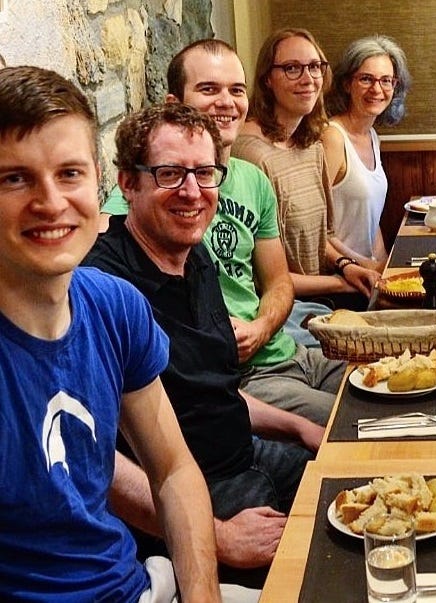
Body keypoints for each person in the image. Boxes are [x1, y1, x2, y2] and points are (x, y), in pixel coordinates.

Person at [0, 65, 220, 602]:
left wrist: (203, 596)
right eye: (14, 178)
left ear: (98, 180)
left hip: (136, 584)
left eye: (69, 173)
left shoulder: (113, 304)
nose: (51, 202)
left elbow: (173, 470)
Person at [84, 102, 322, 581]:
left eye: (205, 173)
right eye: (170, 174)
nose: (192, 192)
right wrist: (218, 536)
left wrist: (299, 428)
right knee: (317, 572)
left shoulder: (194, 256)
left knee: (351, 484)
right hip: (188, 497)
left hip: (244, 454)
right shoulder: (104, 287)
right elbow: (96, 457)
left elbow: (212, 393)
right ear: (128, 183)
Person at [102, 39, 346, 426]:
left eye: (236, 90)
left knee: (400, 395)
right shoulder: (146, 193)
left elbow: (278, 281)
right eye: (208, 89)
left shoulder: (252, 180)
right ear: (174, 104)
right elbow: (99, 250)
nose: (227, 102)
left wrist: (261, 327)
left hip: (288, 351)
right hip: (240, 380)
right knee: (355, 425)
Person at [233, 28, 380, 310]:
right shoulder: (252, 154)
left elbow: (318, 239)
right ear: (267, 79)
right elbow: (262, 277)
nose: (308, 78)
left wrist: (347, 265)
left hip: (320, 298)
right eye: (292, 68)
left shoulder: (311, 144)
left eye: (314, 67)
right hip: (281, 308)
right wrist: (340, 283)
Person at [322, 34, 411, 272]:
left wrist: (385, 266)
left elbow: (371, 221)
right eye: (366, 79)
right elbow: (314, 227)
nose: (377, 89)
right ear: (346, 84)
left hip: (366, 272)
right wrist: (367, 266)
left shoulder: (372, 136)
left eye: (386, 80)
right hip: (339, 274)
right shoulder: (332, 137)